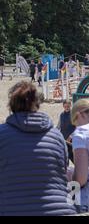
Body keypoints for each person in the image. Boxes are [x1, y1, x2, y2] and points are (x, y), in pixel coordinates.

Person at [0, 81, 76, 216]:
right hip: (59, 210)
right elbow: (63, 171)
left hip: (13, 210)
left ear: (11, 106)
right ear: (37, 104)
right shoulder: (56, 136)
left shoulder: (2, 134)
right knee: (76, 188)